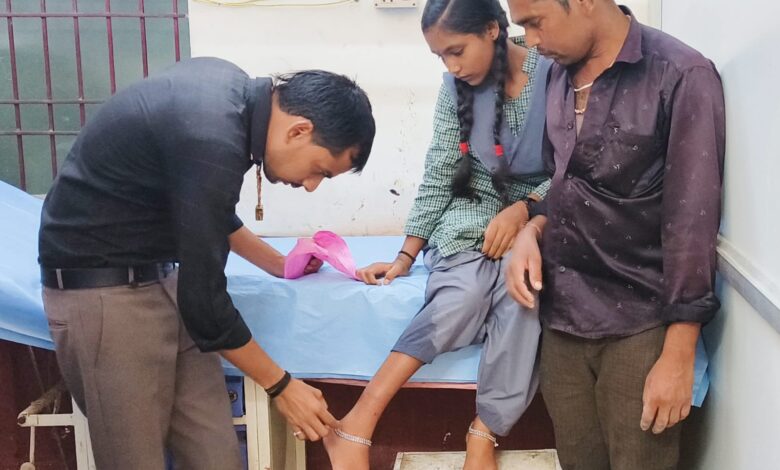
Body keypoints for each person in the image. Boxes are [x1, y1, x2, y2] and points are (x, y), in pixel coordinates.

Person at [37, 57, 376, 469]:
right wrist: (282, 386)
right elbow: (205, 302)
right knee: (135, 459)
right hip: (103, 293)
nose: (310, 186)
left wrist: (276, 263)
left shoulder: (230, 97)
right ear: (298, 130)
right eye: (319, 170)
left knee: (216, 456)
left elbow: (205, 208)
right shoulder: (213, 136)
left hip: (162, 278)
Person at [323, 0, 551, 468]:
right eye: (440, 57)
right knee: (462, 297)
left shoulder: (554, 74)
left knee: (522, 294)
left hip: (544, 221)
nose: (451, 66)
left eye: (456, 51)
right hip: (469, 219)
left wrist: (526, 211)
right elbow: (440, 172)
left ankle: (483, 434)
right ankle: (359, 420)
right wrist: (405, 256)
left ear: (492, 30)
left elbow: (578, 167)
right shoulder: (455, 89)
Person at [505, 1, 725, 469]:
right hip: (562, 321)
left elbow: (692, 221)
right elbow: (563, 182)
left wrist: (679, 353)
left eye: (535, 23)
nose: (532, 42)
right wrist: (532, 229)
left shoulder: (680, 75)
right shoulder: (556, 75)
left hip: (639, 325)